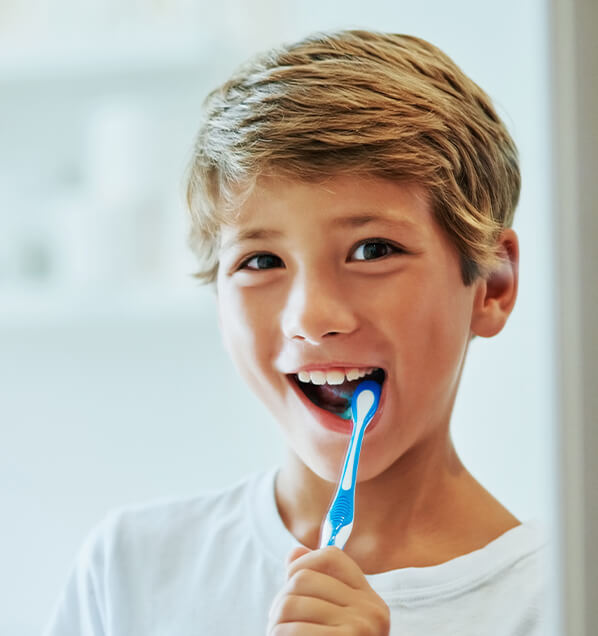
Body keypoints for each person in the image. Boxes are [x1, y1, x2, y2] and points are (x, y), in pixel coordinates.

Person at [44, 30, 547, 635]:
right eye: (260, 262)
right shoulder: (128, 574)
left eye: (372, 250)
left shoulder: (557, 600)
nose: (311, 318)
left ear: (491, 284)